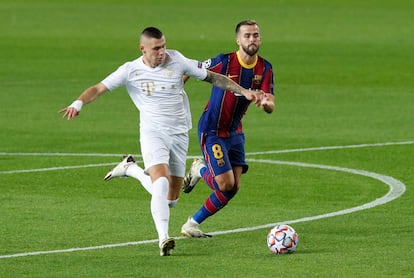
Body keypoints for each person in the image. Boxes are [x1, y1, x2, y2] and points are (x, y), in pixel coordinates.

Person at [60, 27, 260, 256]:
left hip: (179, 134)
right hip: (152, 133)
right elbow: (98, 88)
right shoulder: (130, 70)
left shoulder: (177, 59)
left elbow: (213, 77)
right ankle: (164, 239)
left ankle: (131, 169)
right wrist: (78, 103)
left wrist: (242, 91)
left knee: (170, 200)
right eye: (156, 48)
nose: (162, 52)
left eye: (163, 45)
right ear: (142, 49)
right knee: (161, 182)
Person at [180, 20, 275, 238]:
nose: (252, 39)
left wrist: (265, 103)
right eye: (247, 35)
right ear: (238, 39)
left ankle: (191, 224)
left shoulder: (265, 68)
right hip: (212, 130)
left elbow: (271, 103)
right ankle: (199, 169)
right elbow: (191, 70)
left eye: (256, 35)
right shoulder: (224, 61)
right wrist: (176, 92)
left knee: (233, 188)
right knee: (224, 183)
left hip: (235, 133)